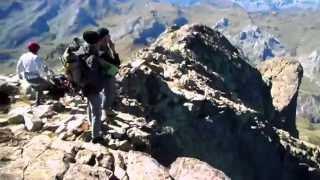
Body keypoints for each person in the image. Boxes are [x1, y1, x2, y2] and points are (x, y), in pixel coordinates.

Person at [76, 30, 105, 144]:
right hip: (92, 87)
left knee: (90, 106)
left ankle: (91, 124)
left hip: (85, 86)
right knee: (97, 112)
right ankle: (96, 136)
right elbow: (93, 75)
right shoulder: (92, 56)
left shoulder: (83, 50)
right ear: (96, 41)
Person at [97, 27, 121, 121]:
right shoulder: (101, 51)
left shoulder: (104, 47)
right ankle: (105, 112)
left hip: (107, 73)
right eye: (108, 35)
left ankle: (107, 110)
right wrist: (113, 50)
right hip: (105, 75)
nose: (110, 37)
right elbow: (116, 63)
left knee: (109, 92)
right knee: (108, 93)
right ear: (104, 37)